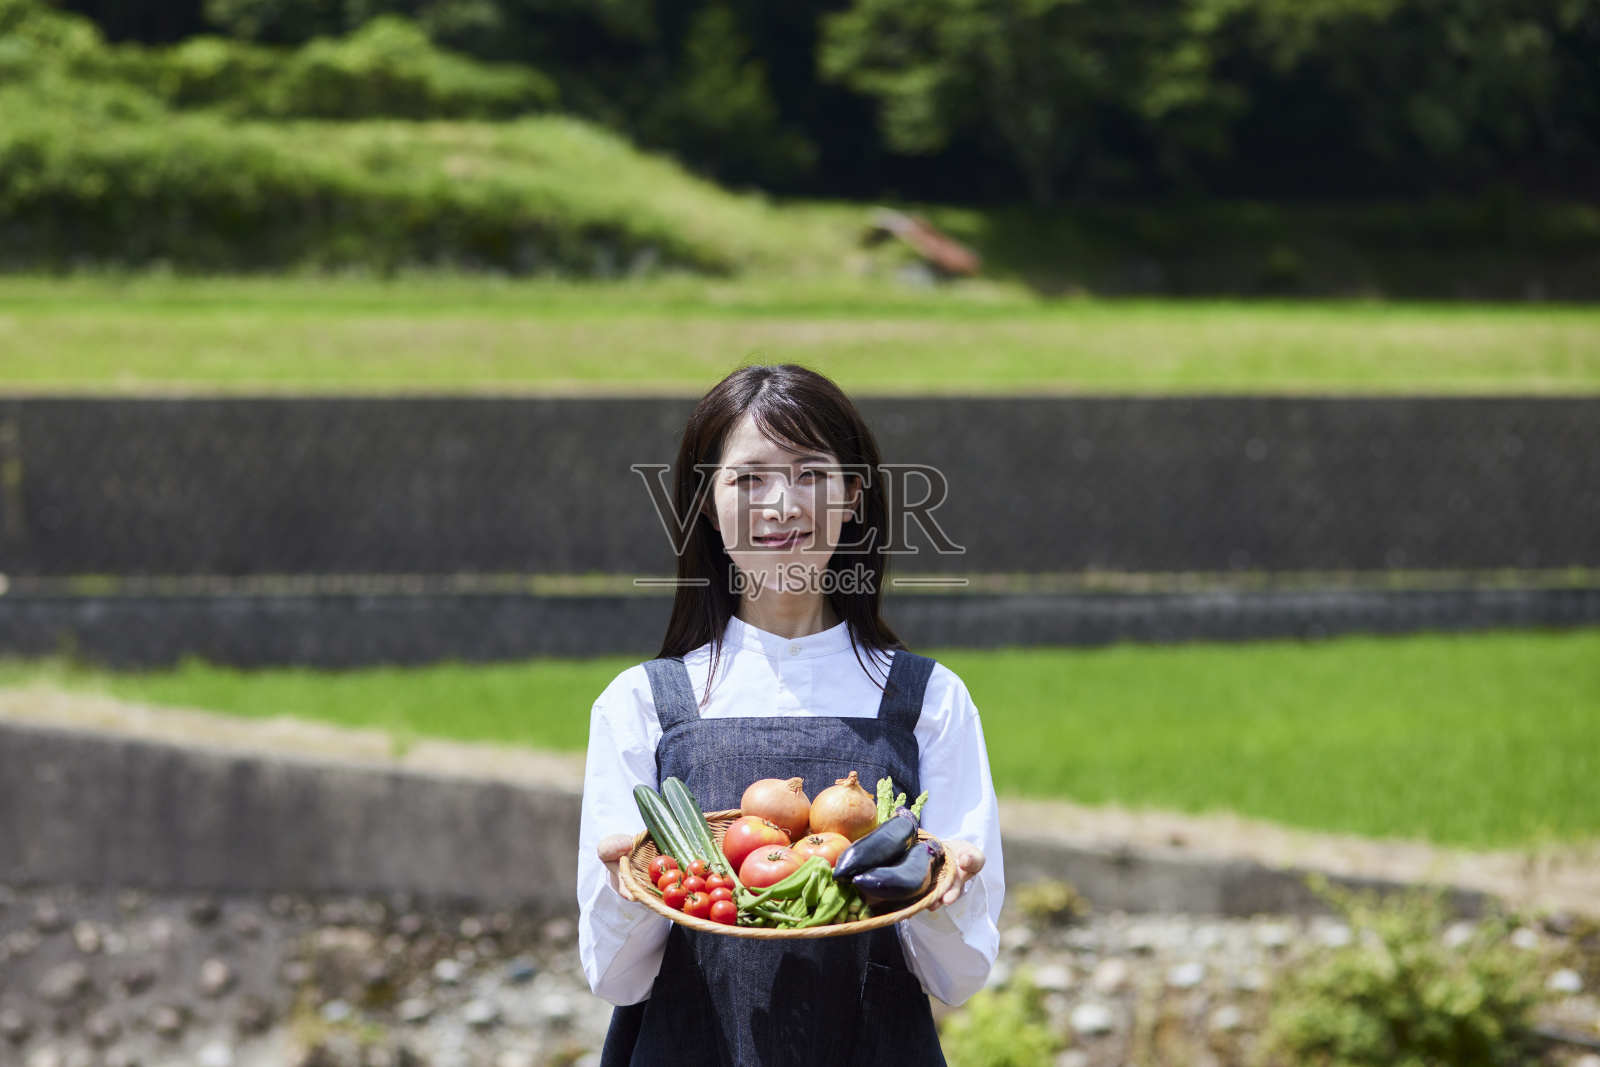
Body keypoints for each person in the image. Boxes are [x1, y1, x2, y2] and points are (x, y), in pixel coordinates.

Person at [577, 363, 1004, 1066]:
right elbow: (613, 975)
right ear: (706, 505)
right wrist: (629, 890)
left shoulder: (930, 698)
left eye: (811, 474)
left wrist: (943, 890)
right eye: (748, 479)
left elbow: (960, 976)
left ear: (852, 496)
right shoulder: (642, 703)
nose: (782, 505)